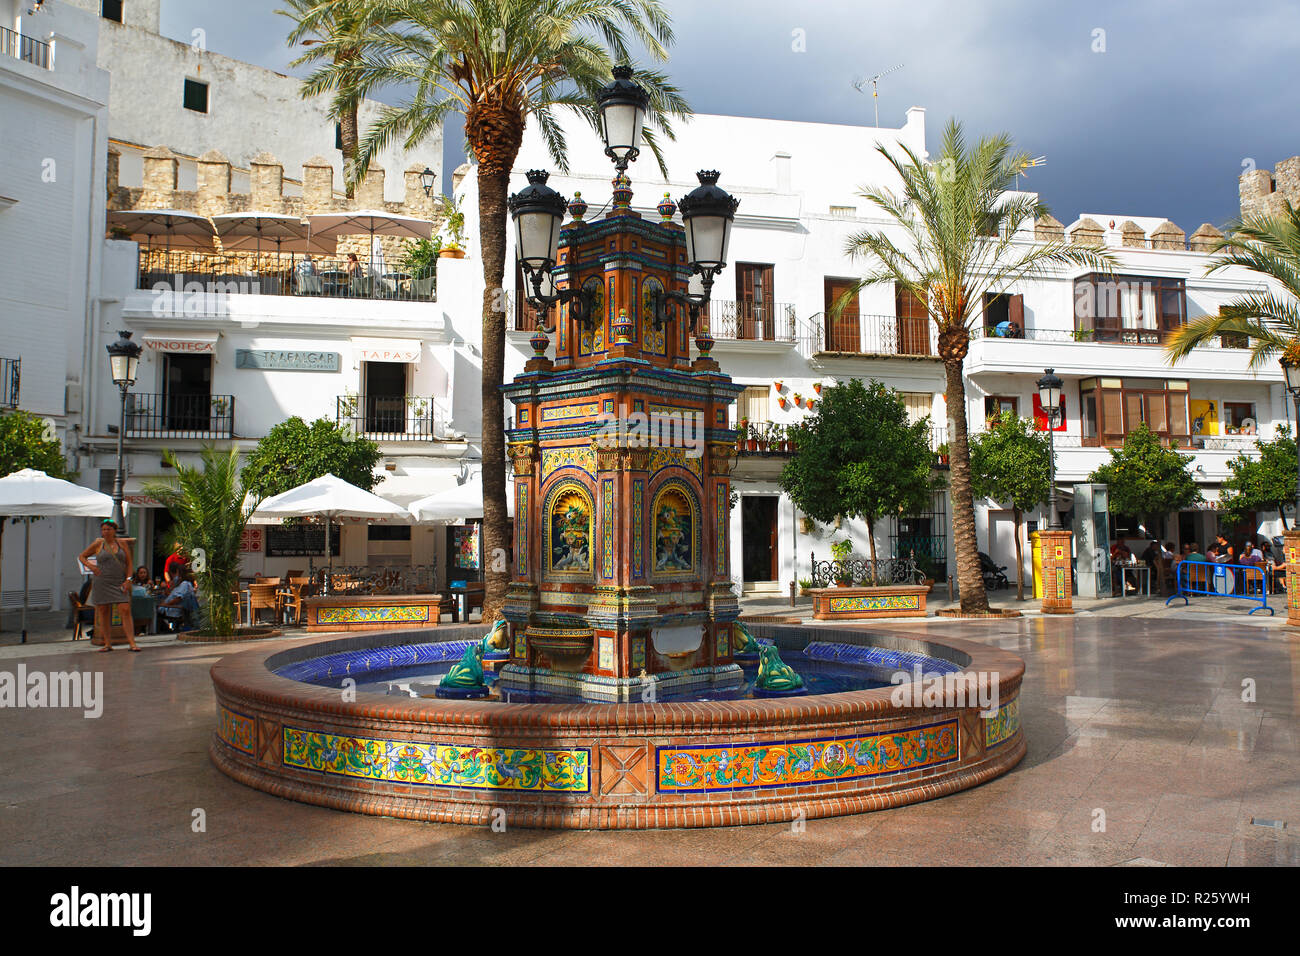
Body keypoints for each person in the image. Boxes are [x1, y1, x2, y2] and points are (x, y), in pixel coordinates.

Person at [78, 519, 139, 652]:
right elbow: (82, 556)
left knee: (125, 609)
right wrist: (91, 566)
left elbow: (129, 563)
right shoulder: (98, 544)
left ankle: (132, 643)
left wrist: (128, 579)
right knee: (103, 611)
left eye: (108, 529)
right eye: (103, 529)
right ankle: (107, 643)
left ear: (114, 530)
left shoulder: (122, 544)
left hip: (119, 581)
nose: (105, 532)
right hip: (102, 581)